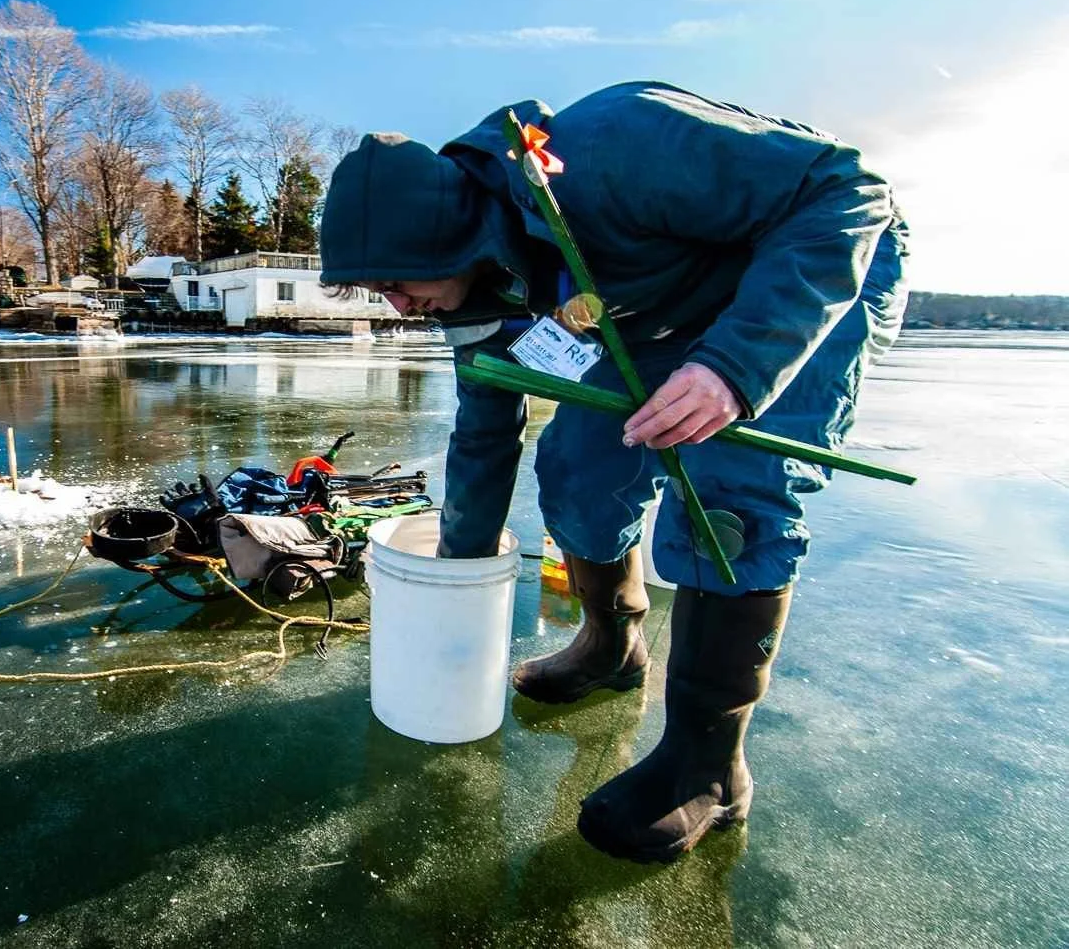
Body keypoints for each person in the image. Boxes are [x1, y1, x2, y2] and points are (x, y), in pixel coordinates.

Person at [318, 81, 908, 863]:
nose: (396, 307)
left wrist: (735, 367)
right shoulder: (471, 291)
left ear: (444, 236)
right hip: (659, 309)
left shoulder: (611, 147)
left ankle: (708, 768)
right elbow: (486, 435)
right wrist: (458, 577)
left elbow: (844, 189)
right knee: (578, 470)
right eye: (377, 292)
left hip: (807, 266)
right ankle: (612, 644)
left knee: (732, 502)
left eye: (396, 283)